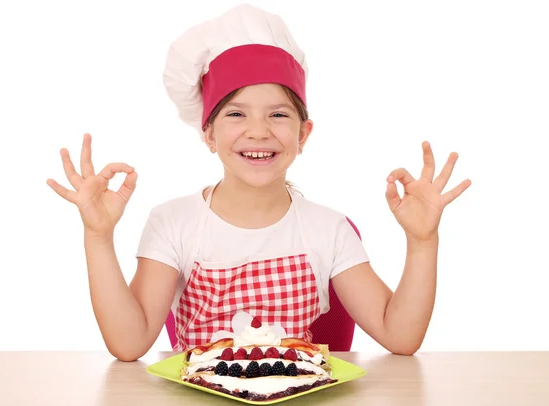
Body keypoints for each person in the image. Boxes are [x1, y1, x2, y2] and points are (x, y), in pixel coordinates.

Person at [46, 4, 471, 362]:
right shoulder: (172, 222)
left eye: (278, 114)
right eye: (236, 114)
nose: (258, 131)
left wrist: (423, 241)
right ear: (208, 134)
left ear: (303, 135)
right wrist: (99, 236)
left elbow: (400, 337)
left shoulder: (328, 229)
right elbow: (128, 343)